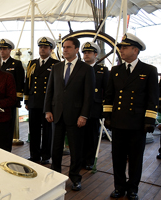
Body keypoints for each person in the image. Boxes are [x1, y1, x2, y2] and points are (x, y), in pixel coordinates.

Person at [103, 33, 158, 200]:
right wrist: (107, 116)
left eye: (124, 47)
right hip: (118, 122)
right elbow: (109, 95)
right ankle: (119, 187)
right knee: (118, 158)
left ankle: (133, 188)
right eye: (120, 47)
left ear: (135, 50)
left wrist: (149, 121)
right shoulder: (116, 70)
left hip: (137, 124)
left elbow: (152, 98)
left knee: (135, 159)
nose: (121, 50)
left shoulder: (149, 70)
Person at [44, 37, 95, 191]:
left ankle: (75, 178)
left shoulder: (86, 69)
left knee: (76, 149)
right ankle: (56, 176)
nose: (65, 50)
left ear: (76, 49)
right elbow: (50, 91)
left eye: (68, 47)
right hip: (57, 114)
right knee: (56, 148)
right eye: (63, 47)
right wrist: (47, 110)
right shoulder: (57, 67)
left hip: (76, 116)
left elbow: (89, 95)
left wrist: (84, 115)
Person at [24, 36, 60, 164]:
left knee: (47, 131)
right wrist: (27, 99)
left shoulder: (56, 64)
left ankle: (45, 156)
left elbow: (57, 86)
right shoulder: (32, 63)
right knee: (33, 130)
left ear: (51, 49)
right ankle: (34, 155)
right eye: (41, 47)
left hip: (47, 103)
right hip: (34, 101)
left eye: (45, 47)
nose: (42, 49)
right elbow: (28, 82)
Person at [81, 42, 109, 170]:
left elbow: (107, 90)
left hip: (94, 108)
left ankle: (89, 160)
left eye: (89, 52)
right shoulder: (78, 69)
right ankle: (79, 159)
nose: (86, 54)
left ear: (96, 54)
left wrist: (105, 109)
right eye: (84, 52)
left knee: (92, 135)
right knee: (78, 135)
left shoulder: (102, 71)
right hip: (79, 107)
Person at [0, 38, 25, 144]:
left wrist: (18, 99)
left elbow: (19, 82)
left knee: (9, 125)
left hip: (10, 100)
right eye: (0, 49)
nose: (2, 51)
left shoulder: (16, 64)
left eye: (4, 49)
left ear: (10, 50)